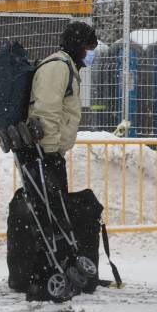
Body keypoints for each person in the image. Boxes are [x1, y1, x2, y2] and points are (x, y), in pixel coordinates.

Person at [28, 21, 98, 192]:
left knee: (54, 209)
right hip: (45, 153)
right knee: (52, 209)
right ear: (78, 46)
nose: (91, 53)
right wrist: (51, 152)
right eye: (89, 48)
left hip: (50, 153)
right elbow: (46, 110)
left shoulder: (67, 66)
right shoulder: (58, 67)